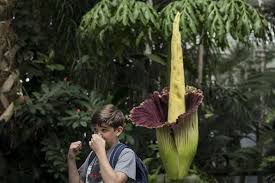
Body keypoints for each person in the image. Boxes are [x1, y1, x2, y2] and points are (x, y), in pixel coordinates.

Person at [67, 104, 136, 183]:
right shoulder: (93, 155)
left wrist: (100, 151)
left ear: (118, 131)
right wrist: (71, 158)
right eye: (96, 130)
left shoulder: (126, 154)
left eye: (104, 130)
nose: (98, 135)